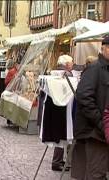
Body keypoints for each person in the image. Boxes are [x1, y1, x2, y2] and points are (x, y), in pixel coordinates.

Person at [73, 36, 109, 179]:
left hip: (103, 132)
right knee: (96, 174)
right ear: (103, 48)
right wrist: (101, 124)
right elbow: (83, 97)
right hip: (94, 133)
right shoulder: (94, 68)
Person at [49, 55, 73, 172]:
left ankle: (58, 160)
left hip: (55, 108)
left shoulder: (53, 72)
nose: (72, 64)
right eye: (71, 62)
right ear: (67, 64)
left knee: (59, 136)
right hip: (64, 108)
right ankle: (57, 161)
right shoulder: (66, 75)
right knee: (62, 135)